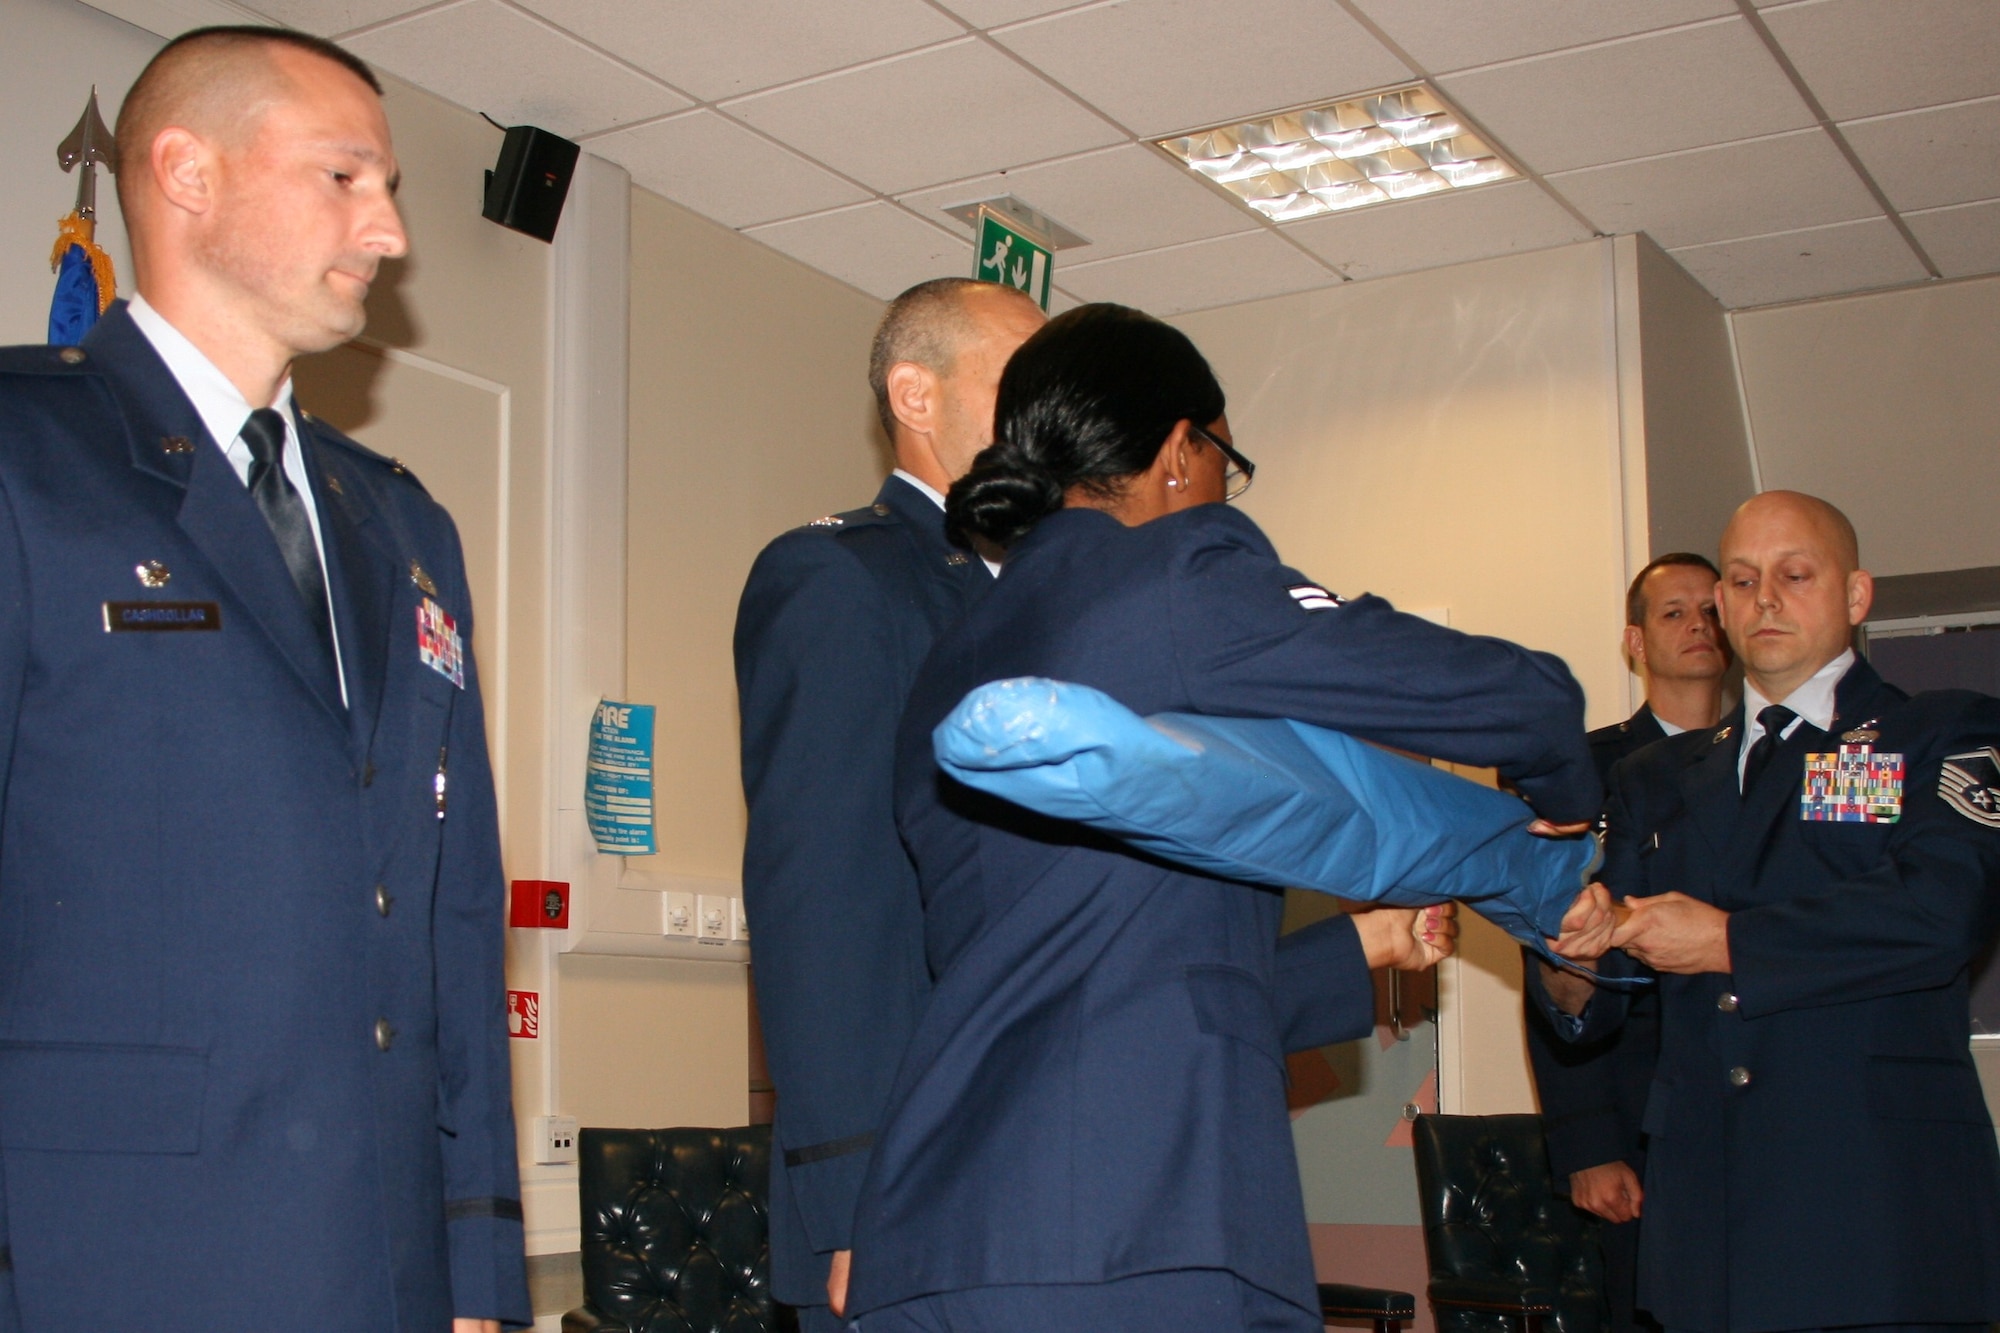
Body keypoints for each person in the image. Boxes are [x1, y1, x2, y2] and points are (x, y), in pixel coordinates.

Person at [843, 303, 1604, 1331]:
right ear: (1177, 451)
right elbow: (1525, 703)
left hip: (930, 1236)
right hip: (1129, 1232)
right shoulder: (1174, 574)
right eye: (1222, 460)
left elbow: (1086, 971)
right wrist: (1563, 825)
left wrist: (1360, 948)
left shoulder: (949, 665)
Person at [0, 27, 525, 1332]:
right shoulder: (27, 456)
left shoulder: (406, 526)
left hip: (388, 1257)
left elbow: (455, 912)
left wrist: (476, 1255)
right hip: (109, 1254)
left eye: (390, 188)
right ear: (184, 172)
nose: (392, 231)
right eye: (349, 178)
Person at [735, 279, 1385, 1328]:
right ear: (915, 394)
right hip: (925, 1185)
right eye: (1021, 382)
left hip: (1092, 1185)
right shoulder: (846, 582)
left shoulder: (1078, 598)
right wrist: (853, 1203)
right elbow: (824, 905)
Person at [1536, 491, 2000, 1332]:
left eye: (1796, 574)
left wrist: (1726, 939)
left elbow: (1940, 913)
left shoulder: (1939, 732)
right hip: (1706, 1211)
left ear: (1856, 596)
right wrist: (1567, 954)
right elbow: (1603, 996)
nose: (1767, 600)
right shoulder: (1659, 777)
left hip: (1876, 1202)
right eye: (1743, 581)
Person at [1523, 552, 1727, 1333]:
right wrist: (1586, 1141)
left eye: (1710, 608)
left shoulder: (1774, 759)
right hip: (1634, 1096)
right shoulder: (1584, 768)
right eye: (1673, 612)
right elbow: (1549, 952)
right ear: (1635, 641)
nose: (1697, 626)